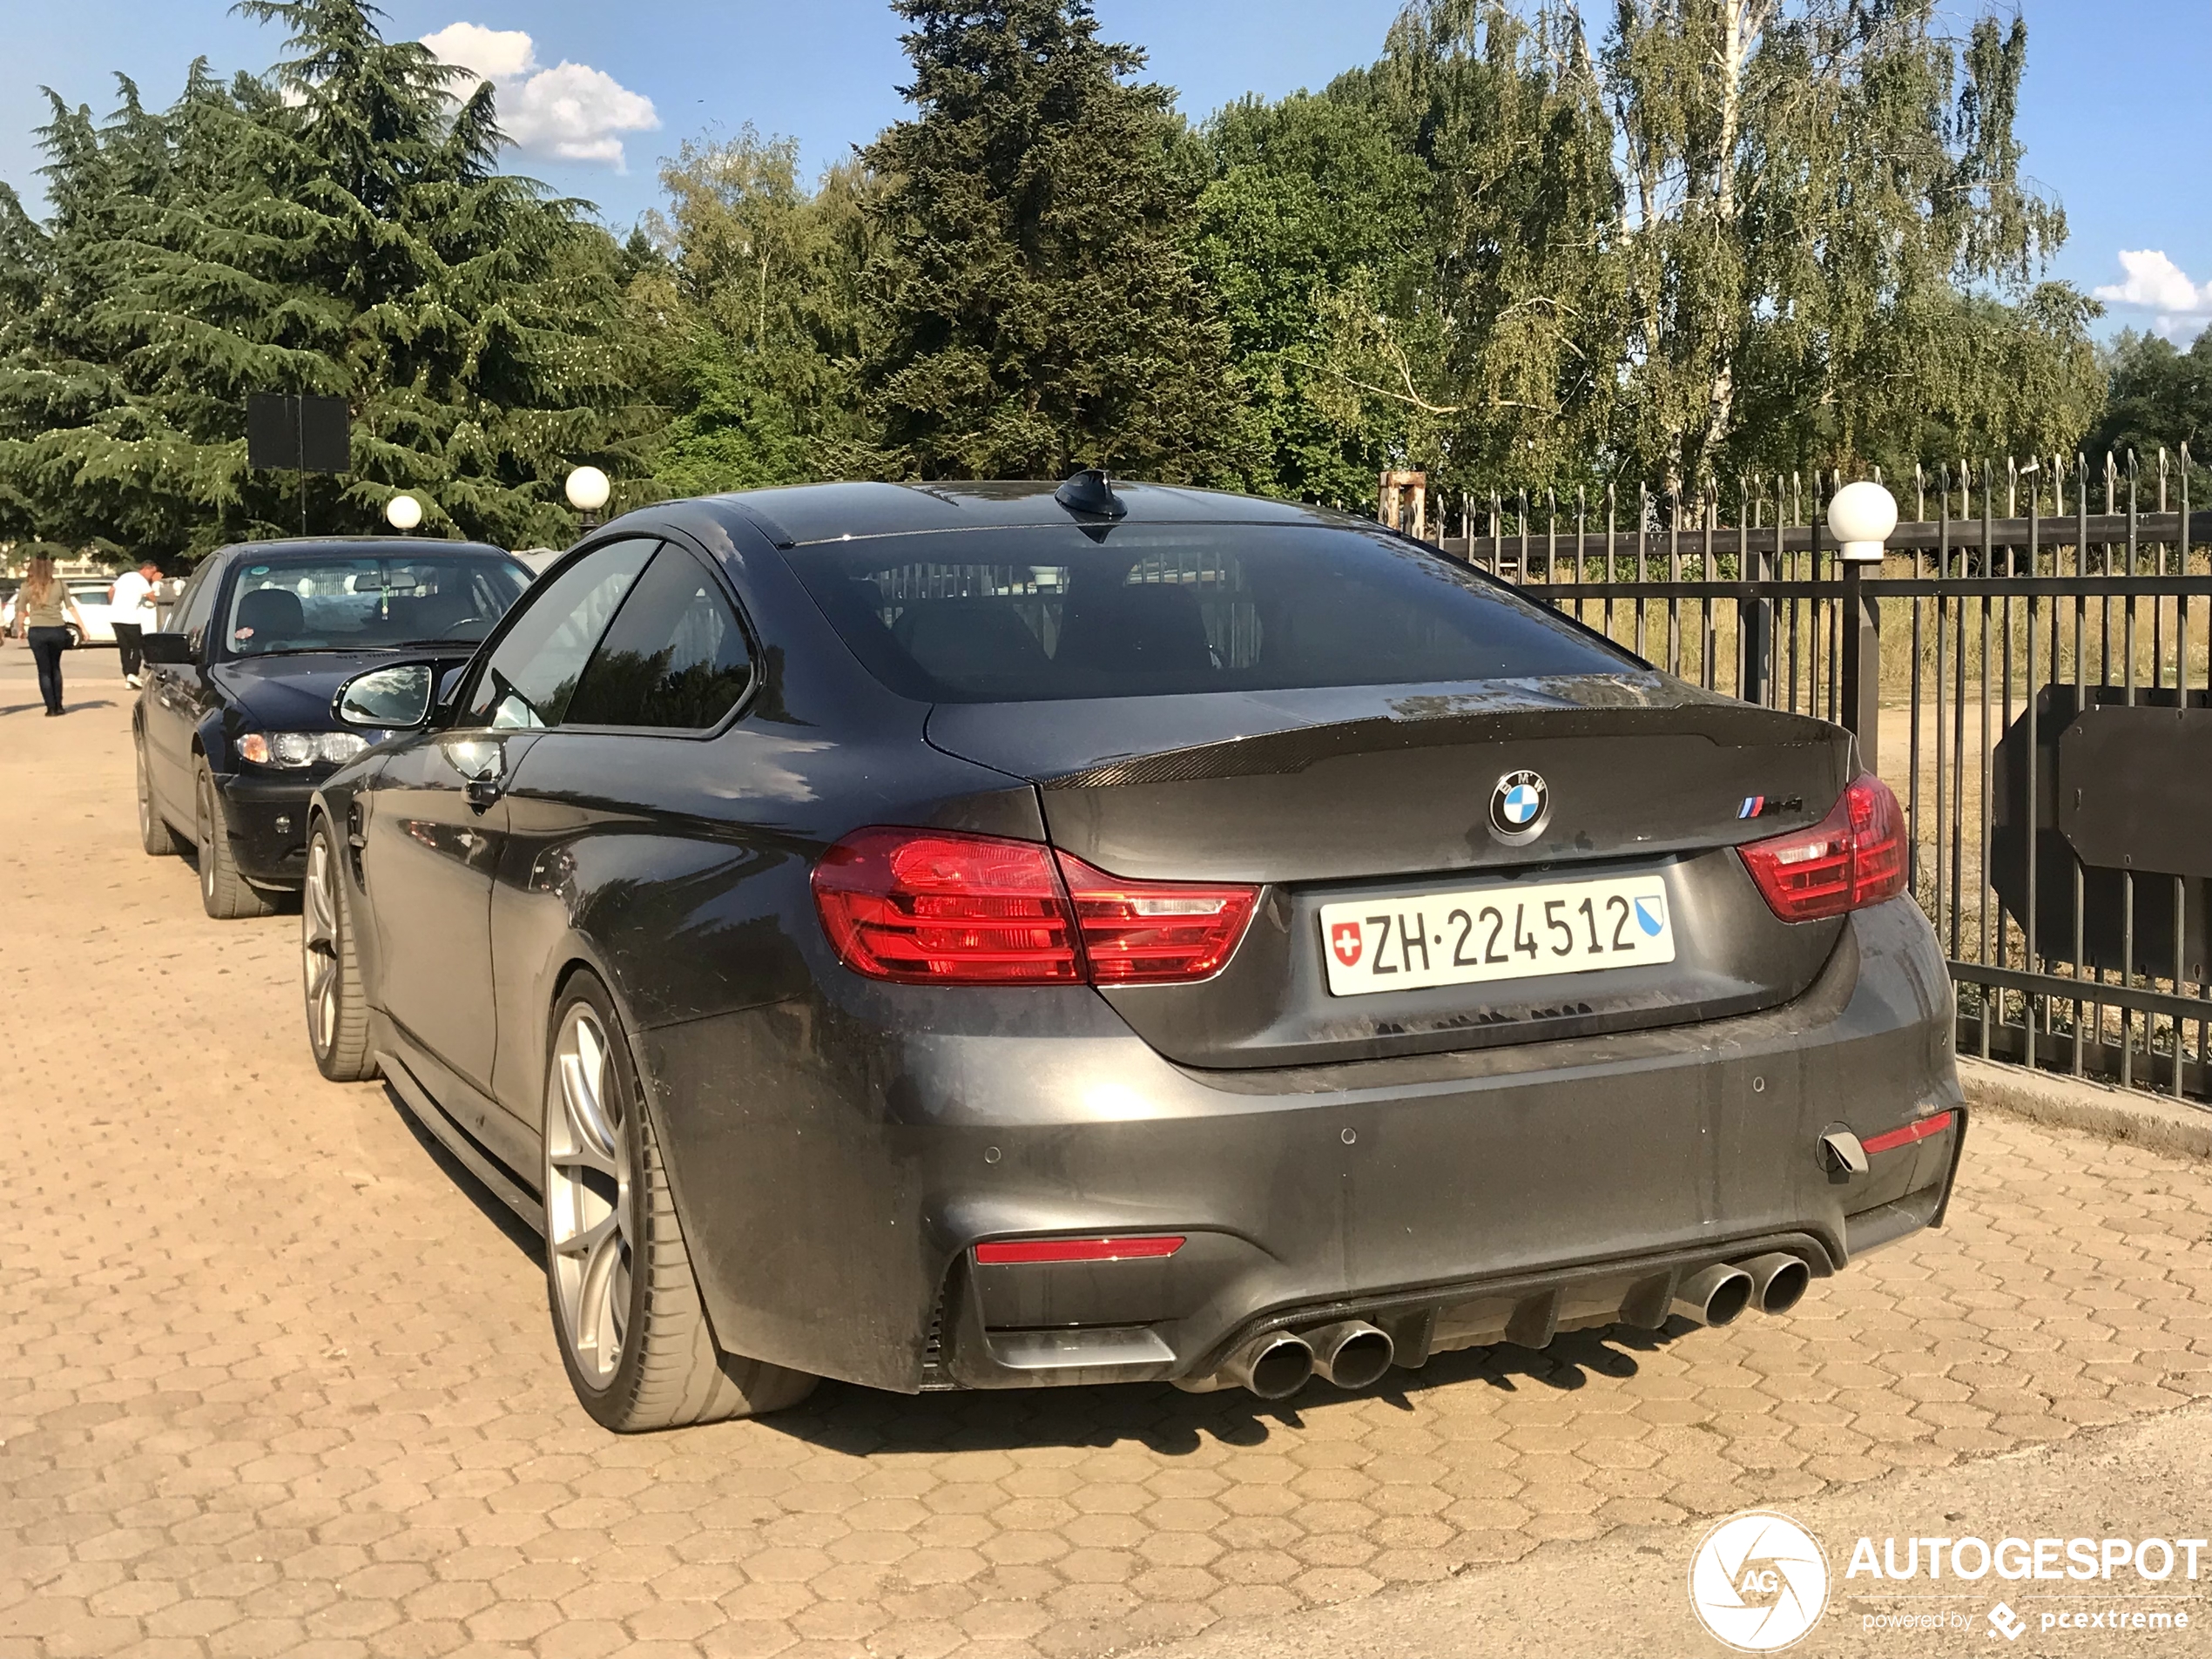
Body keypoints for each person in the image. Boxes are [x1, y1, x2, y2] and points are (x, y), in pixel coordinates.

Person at [10, 556, 93, 717]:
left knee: (44, 670)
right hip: (57, 629)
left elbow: (21, 610)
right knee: (55, 667)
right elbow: (71, 607)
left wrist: (20, 628)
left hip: (37, 631)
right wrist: (83, 628)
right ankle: (59, 705)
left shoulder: (26, 586)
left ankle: (50, 708)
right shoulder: (60, 585)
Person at [108, 557, 161, 686]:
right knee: (138, 646)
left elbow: (111, 591)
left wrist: (114, 604)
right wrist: (156, 582)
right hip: (130, 618)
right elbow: (153, 597)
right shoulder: (141, 580)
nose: (151, 576)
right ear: (146, 569)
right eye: (152, 573)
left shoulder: (126, 576)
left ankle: (128, 676)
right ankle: (133, 673)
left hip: (115, 617)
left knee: (124, 648)